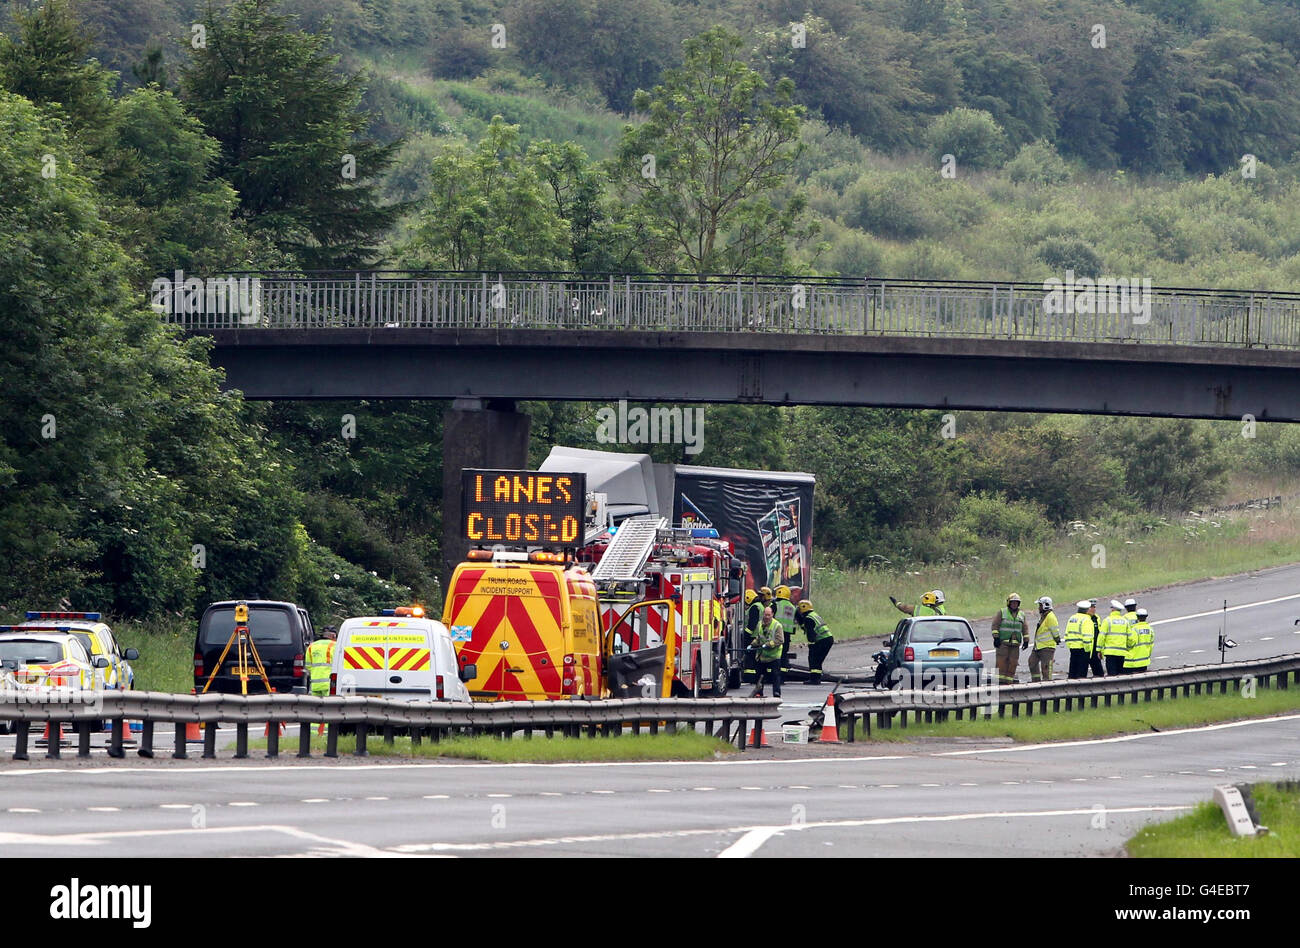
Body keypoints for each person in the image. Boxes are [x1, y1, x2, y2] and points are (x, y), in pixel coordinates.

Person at [991, 593, 1029, 684]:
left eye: (1016, 603)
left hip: (1015, 645)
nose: (1014, 604)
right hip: (1003, 643)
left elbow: (1025, 628)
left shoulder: (1022, 615)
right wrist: (996, 638)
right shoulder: (1002, 612)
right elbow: (995, 625)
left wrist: (1026, 640)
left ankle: (1009, 683)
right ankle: (1000, 683)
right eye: (1013, 602)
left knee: (1013, 664)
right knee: (1001, 664)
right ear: (1009, 603)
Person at [796, 600, 834, 686]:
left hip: (822, 640)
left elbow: (810, 633)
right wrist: (798, 618)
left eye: (799, 609)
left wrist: (812, 645)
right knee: (817, 660)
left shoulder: (809, 618)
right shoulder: (813, 615)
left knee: (814, 659)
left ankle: (814, 679)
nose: (798, 610)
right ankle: (816, 678)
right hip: (827, 639)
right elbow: (804, 626)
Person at [751, 606, 784, 699]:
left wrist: (769, 644)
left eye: (769, 615)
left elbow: (780, 640)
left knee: (775, 676)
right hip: (762, 656)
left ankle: (776, 693)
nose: (767, 617)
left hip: (773, 656)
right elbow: (759, 637)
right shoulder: (760, 624)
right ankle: (759, 693)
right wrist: (753, 644)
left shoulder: (777, 625)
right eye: (765, 615)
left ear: (772, 615)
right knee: (759, 676)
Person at [1028, 596, 1060, 682]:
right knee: (1032, 663)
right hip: (1038, 646)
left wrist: (1057, 639)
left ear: (1045, 605)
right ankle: (1036, 682)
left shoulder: (1050, 617)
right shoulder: (1043, 616)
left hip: (1047, 647)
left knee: (1046, 668)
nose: (1039, 607)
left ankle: (1047, 686)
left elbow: (1055, 631)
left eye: (1040, 605)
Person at [1064, 600, 1095, 680]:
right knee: (1081, 675)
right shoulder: (1087, 620)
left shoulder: (1072, 618)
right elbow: (1087, 638)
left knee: (1072, 673)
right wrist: (1087, 651)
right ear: (1087, 610)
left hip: (1073, 649)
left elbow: (1066, 635)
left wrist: (1070, 646)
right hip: (1083, 650)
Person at [1098, 599, 1130, 676]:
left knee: (1112, 675)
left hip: (1110, 653)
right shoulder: (1125, 621)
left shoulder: (1107, 620)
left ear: (1113, 609)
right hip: (1122, 653)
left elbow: (1101, 636)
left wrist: (1099, 650)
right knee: (1122, 675)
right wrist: (1128, 647)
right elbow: (1130, 637)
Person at [771, 584, 797, 675]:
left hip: (776, 633)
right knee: (784, 655)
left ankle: (773, 674)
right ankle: (783, 675)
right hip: (787, 635)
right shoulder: (792, 607)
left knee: (774, 654)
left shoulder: (775, 605)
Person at [306, 625, 337, 697]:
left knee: (316, 707)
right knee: (328, 707)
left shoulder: (312, 646)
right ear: (334, 636)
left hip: (314, 685)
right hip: (328, 685)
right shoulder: (335, 646)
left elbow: (308, 666)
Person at [1124, 607, 1154, 674]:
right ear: (1146, 617)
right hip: (1145, 660)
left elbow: (1130, 644)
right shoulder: (1150, 629)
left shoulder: (1134, 629)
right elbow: (1151, 645)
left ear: (1137, 617)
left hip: (1133, 661)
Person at [742, 589, 761, 684]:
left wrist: (745, 634)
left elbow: (752, 624)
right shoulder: (760, 606)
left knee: (750, 658)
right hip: (759, 636)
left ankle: (749, 677)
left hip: (752, 637)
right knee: (755, 658)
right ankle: (755, 678)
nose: (745, 605)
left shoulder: (754, 607)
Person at [1087, 599, 1106, 677]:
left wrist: (1100, 650)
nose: (1093, 609)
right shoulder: (1085, 618)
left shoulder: (1097, 617)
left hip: (1095, 648)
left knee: (1099, 673)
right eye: (1091, 607)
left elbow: (1099, 633)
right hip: (1087, 648)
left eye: (1094, 607)